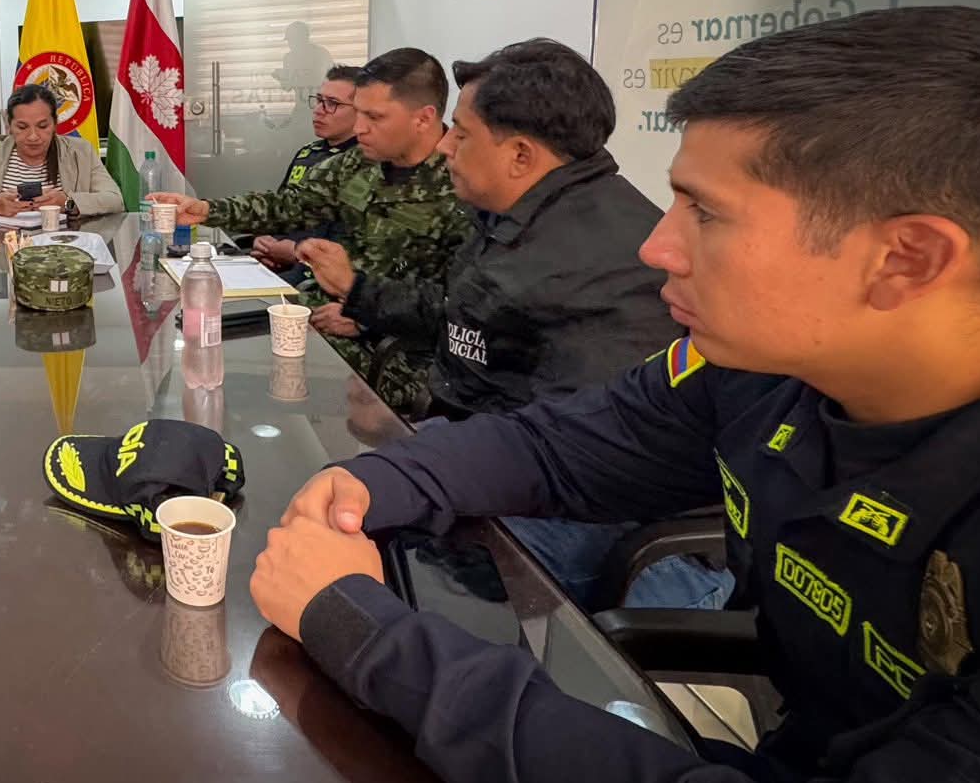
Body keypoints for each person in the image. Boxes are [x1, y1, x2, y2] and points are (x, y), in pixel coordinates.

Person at [250, 7, 980, 783]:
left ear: (907, 258)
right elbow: (560, 444)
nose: (657, 245)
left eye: (707, 215)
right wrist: (373, 479)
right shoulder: (766, 371)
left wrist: (365, 633)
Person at [297, 39, 721, 609]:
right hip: (496, 454)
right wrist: (362, 295)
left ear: (520, 155)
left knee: (365, 569)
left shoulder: (601, 263)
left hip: (587, 514)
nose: (445, 147)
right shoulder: (515, 216)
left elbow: (573, 452)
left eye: (463, 134)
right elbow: (465, 318)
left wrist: (432, 458)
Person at [151, 48, 472, 413]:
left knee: (257, 393)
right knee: (216, 353)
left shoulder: (463, 185)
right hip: (324, 317)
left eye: (374, 116)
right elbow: (288, 205)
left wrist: (366, 316)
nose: (359, 127)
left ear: (423, 118)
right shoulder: (356, 164)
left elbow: (462, 307)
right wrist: (206, 210)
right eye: (359, 113)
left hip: (399, 352)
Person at [0, 83, 126, 220]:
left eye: (42, 126)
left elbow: (114, 200)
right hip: (6, 249)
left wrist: (67, 202)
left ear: (55, 123)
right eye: (22, 127)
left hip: (65, 251)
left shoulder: (80, 152)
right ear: (9, 126)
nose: (33, 136)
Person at [250, 64, 363, 272]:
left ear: (361, 110)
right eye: (319, 100)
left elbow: (350, 244)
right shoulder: (307, 153)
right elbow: (281, 210)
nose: (319, 111)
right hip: (277, 263)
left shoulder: (365, 161)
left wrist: (294, 252)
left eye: (332, 104)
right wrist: (265, 242)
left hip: (318, 274)